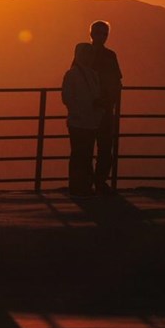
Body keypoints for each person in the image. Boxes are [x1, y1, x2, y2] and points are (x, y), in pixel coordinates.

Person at [62, 42, 104, 196]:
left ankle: (82, 185)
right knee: (81, 154)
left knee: (83, 154)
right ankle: (79, 185)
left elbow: (67, 97)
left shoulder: (91, 74)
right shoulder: (73, 74)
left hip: (87, 120)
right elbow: (67, 97)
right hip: (81, 121)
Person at [89, 20, 123, 193]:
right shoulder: (110, 56)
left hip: (91, 109)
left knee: (92, 147)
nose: (102, 37)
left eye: (104, 34)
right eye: (99, 33)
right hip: (102, 109)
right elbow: (117, 81)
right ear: (92, 34)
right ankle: (99, 182)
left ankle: (91, 183)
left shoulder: (83, 55)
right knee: (102, 147)